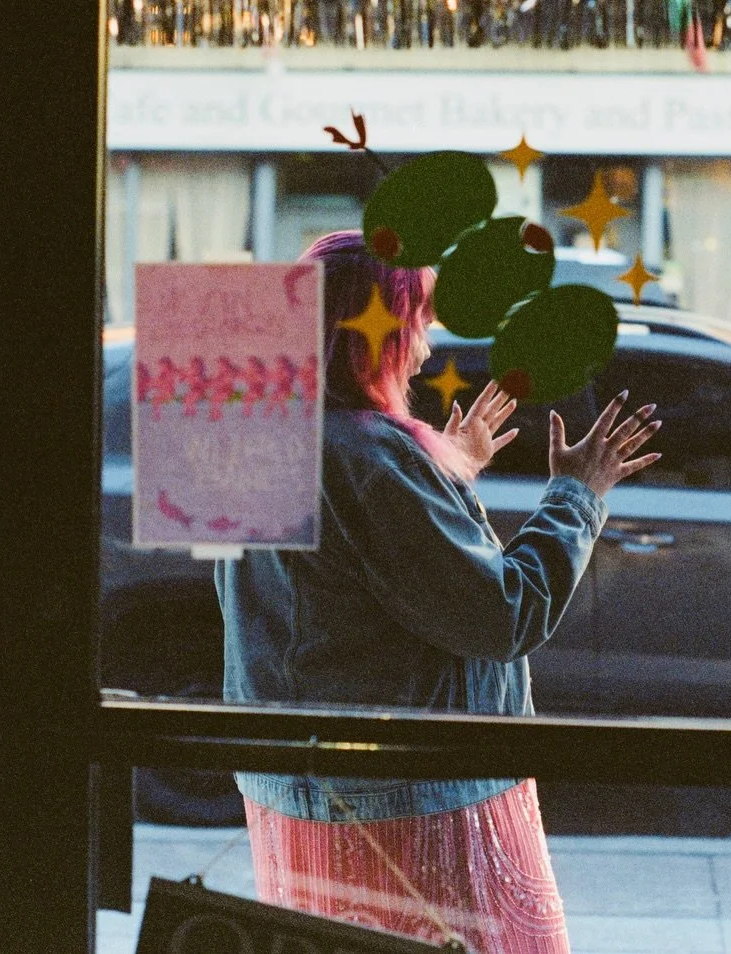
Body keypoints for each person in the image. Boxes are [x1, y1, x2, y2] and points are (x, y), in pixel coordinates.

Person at [216, 230, 662, 953]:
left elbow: (337, 595)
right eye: (418, 320)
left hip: (298, 795)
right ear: (376, 334)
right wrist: (579, 494)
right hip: (412, 801)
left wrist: (446, 472)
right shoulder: (373, 455)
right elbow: (502, 615)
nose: (426, 345)